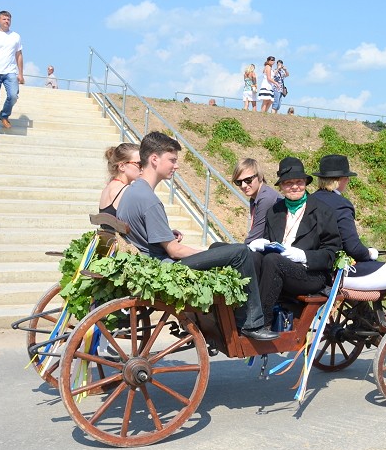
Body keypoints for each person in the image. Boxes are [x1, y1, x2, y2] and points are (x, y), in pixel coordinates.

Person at [117, 131, 279, 341]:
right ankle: (252, 323)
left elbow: (145, 230)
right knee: (239, 252)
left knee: (220, 247)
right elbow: (174, 250)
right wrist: (204, 252)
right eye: (172, 160)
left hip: (151, 261)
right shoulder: (150, 200)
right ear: (154, 159)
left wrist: (171, 235)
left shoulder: (132, 191)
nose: (176, 166)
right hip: (164, 267)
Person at [311, 154, 386, 320]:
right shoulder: (341, 205)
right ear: (342, 179)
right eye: (347, 178)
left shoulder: (311, 200)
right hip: (339, 273)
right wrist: (369, 253)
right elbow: (352, 247)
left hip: (317, 270)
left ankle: (369, 320)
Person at [248, 157, 342, 328]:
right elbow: (268, 246)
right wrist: (260, 245)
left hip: (311, 274)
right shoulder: (274, 211)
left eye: (299, 182)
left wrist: (304, 256)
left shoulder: (323, 211)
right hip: (277, 269)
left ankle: (263, 322)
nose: (294, 186)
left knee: (273, 261)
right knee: (253, 257)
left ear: (306, 183)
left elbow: (332, 253)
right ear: (281, 187)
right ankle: (246, 313)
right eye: (288, 183)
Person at [232, 158, 282, 244]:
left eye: (248, 180)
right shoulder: (255, 198)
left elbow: (256, 236)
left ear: (260, 176)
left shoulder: (266, 198)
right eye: (238, 182)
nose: (243, 185)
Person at [99, 143, 141, 216]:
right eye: (139, 164)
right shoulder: (126, 191)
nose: (143, 168)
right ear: (121, 166)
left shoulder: (107, 189)